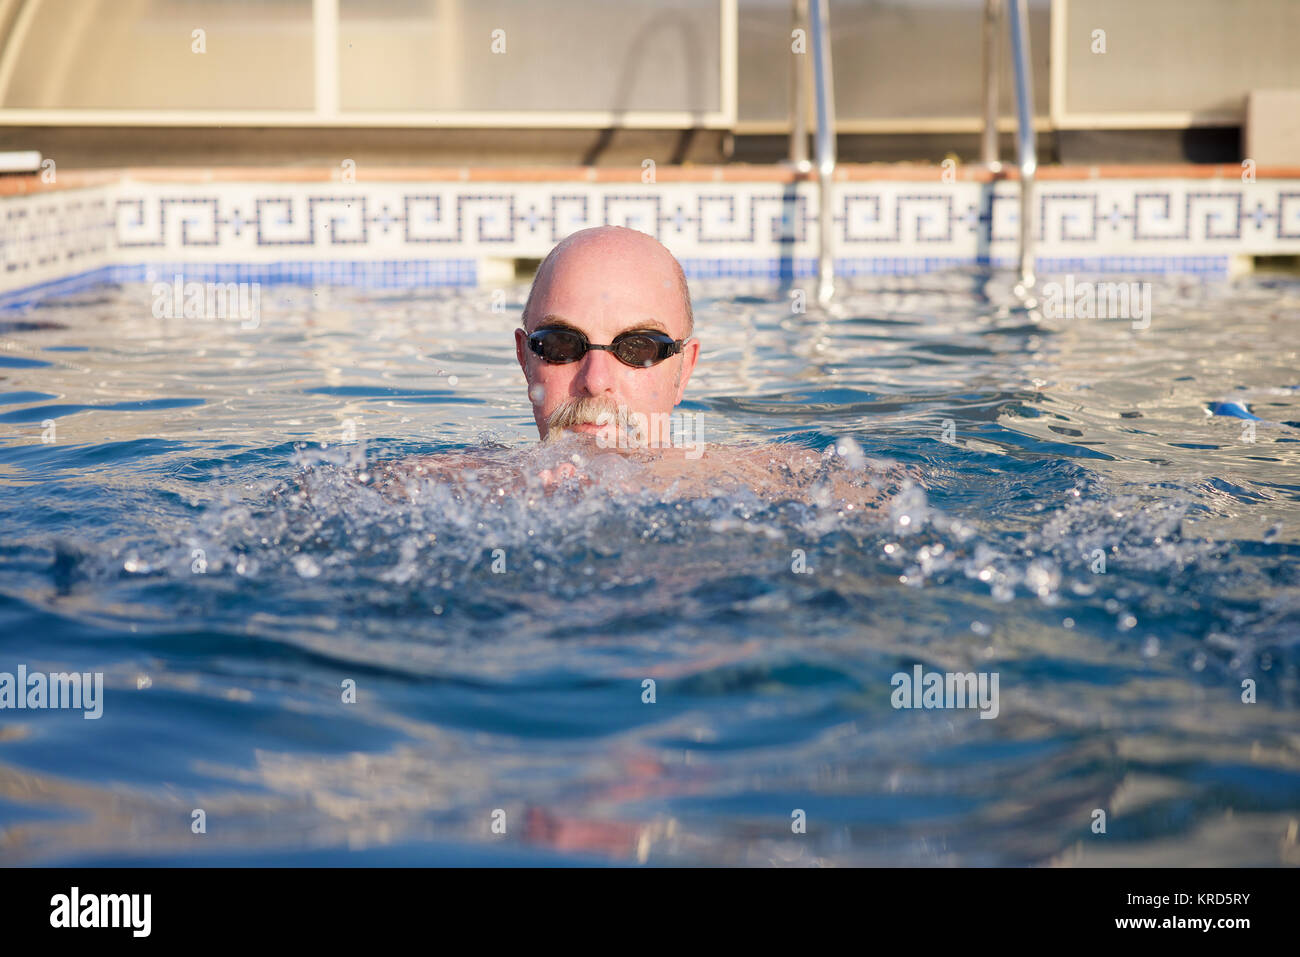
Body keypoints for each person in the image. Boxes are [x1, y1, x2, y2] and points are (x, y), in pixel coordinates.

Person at [372, 225, 898, 506]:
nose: (595, 380)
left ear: (683, 369)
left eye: (637, 347)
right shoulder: (443, 487)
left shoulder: (774, 481)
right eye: (561, 343)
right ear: (524, 359)